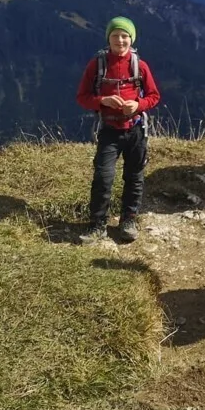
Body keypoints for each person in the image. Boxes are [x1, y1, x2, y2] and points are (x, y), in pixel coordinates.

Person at [75, 16, 161, 243]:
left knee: (134, 177)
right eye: (115, 36)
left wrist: (138, 105)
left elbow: (154, 96)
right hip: (110, 130)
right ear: (108, 38)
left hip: (135, 130)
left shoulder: (140, 65)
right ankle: (97, 224)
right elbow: (82, 97)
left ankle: (128, 220)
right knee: (103, 177)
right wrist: (103, 101)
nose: (120, 40)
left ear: (131, 39)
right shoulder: (98, 64)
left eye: (125, 36)